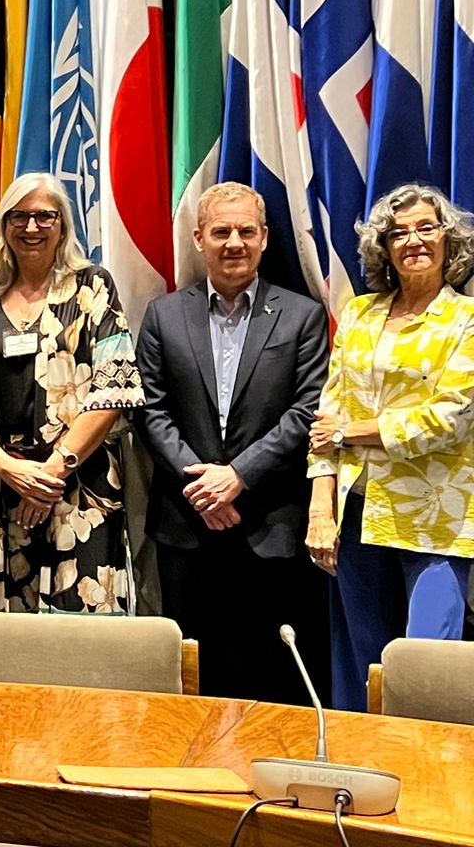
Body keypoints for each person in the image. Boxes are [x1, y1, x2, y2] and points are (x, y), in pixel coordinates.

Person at [134, 182, 329, 703]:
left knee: (269, 675)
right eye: (221, 232)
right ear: (199, 238)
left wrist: (238, 476)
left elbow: (307, 410)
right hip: (186, 523)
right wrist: (203, 487)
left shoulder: (302, 315)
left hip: (268, 523)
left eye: (246, 231)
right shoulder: (163, 315)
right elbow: (150, 409)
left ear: (264, 237)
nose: (234, 242)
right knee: (193, 674)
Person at [307, 183, 474, 711]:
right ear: (383, 248)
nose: (413, 240)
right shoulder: (358, 315)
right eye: (398, 233)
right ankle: (363, 763)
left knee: (425, 673)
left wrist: (350, 432)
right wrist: (320, 510)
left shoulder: (467, 319)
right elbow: (325, 421)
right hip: (358, 515)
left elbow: (449, 418)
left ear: (449, 240)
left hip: (437, 522)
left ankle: (429, 766)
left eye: (427, 228)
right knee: (366, 671)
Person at [0, 172, 143, 613]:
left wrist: (51, 474)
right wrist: (6, 467)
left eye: (44, 216)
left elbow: (114, 387)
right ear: (4, 225)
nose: (31, 227)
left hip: (81, 489)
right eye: (19, 217)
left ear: (62, 224)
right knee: (6, 631)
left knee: (79, 630)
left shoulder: (92, 286)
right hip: (2, 489)